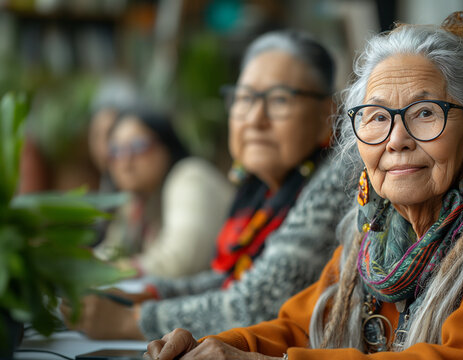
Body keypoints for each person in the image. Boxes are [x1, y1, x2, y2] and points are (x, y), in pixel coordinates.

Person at [145, 12, 463, 360]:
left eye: (425, 114)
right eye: (375, 118)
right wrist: (215, 346)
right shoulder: (369, 234)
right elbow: (301, 326)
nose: (396, 140)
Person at [62, 29, 348, 341]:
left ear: (327, 114)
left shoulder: (336, 178)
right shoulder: (262, 190)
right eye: (245, 98)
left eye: (279, 99)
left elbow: (257, 303)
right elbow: (228, 280)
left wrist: (130, 321)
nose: (255, 118)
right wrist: (148, 295)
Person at [92, 110, 234, 278]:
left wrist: (114, 271)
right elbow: (113, 251)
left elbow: (179, 261)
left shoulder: (190, 176)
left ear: (166, 146)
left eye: (138, 146)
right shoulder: (136, 199)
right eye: (115, 150)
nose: (125, 162)